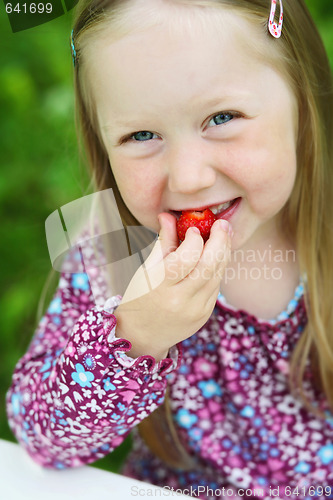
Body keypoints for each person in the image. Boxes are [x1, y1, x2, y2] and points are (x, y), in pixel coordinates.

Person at [6, 0, 333, 497]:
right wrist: (135, 334)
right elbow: (41, 440)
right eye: (141, 134)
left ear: (303, 106)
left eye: (222, 117)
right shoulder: (113, 253)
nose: (189, 177)